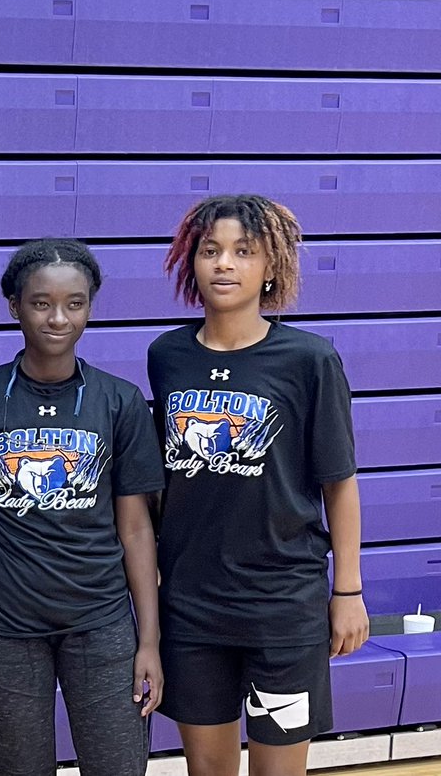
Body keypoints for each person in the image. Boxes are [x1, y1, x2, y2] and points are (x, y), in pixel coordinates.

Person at [147, 194, 369, 776]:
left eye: (244, 252)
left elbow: (339, 485)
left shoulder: (309, 359)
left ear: (271, 267)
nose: (225, 264)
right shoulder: (167, 355)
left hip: (283, 608)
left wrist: (347, 592)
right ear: (189, 263)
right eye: (211, 251)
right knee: (208, 771)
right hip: (193, 605)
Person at [0, 239, 164, 776]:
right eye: (41, 303)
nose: (58, 317)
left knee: (118, 766)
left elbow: (136, 530)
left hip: (101, 621)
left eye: (75, 303)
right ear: (13, 306)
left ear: (90, 307)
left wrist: (149, 640)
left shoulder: (119, 401)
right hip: (4, 626)